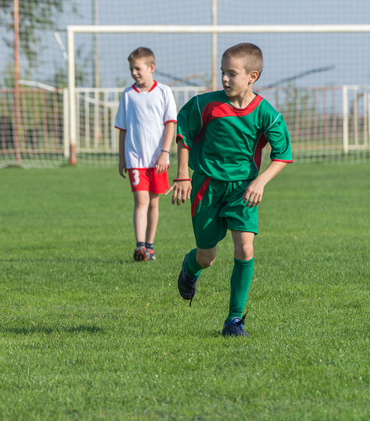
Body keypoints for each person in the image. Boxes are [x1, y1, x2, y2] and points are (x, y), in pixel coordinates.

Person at [165, 43, 293, 337]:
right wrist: (183, 174)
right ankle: (190, 268)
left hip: (243, 190)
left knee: (245, 247)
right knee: (207, 257)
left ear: (252, 76)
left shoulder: (266, 113)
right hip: (207, 185)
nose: (224, 79)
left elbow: (283, 154)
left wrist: (260, 181)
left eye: (231, 74)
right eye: (222, 72)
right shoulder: (204, 104)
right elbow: (183, 133)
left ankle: (234, 321)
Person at [115, 47, 177, 261]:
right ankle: (140, 246)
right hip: (135, 159)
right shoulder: (128, 94)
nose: (134, 73)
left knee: (153, 202)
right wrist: (122, 157)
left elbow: (170, 124)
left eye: (138, 69)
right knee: (141, 199)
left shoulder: (163, 92)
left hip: (158, 160)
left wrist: (164, 153)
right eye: (132, 69)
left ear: (151, 68)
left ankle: (150, 246)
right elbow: (122, 128)